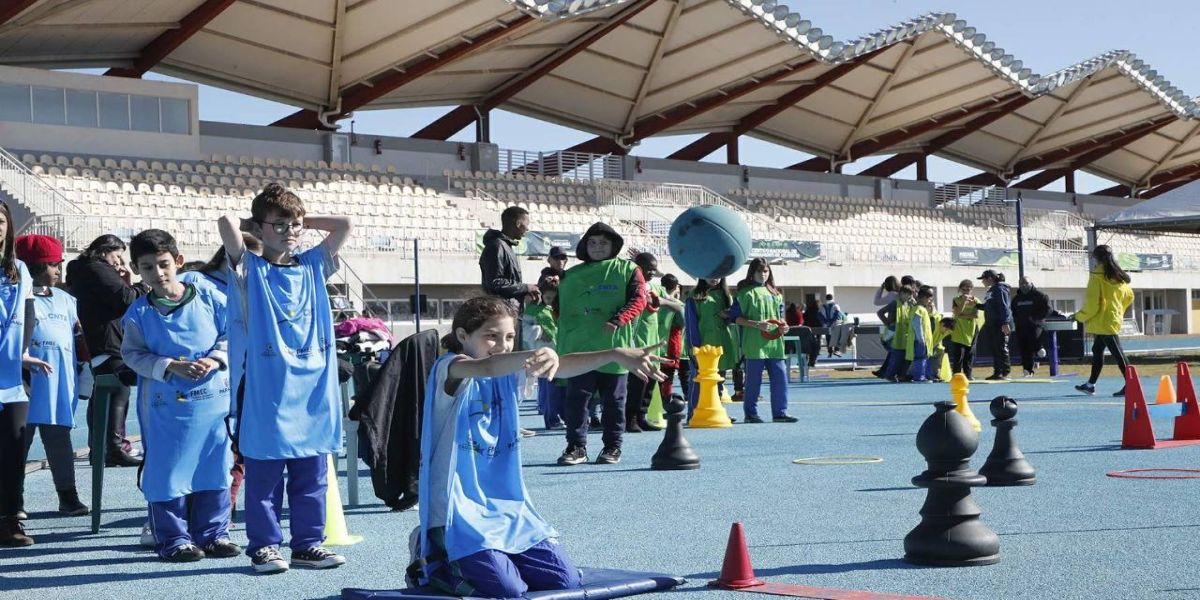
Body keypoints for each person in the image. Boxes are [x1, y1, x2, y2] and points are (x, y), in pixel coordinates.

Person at [413, 296, 663, 598]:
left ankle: (496, 556)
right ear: (464, 336)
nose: (502, 345)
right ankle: (431, 557)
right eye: (491, 336)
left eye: (508, 337)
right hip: (458, 511)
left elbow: (562, 366)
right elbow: (488, 366)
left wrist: (615, 354)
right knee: (507, 590)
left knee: (564, 581)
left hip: (507, 509)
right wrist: (541, 351)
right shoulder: (449, 368)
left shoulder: (509, 368)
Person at [217, 182, 353, 573]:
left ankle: (308, 544)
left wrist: (296, 218)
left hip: (313, 388)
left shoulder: (313, 263)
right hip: (268, 388)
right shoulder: (249, 268)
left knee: (312, 474)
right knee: (265, 474)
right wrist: (259, 222)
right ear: (258, 229)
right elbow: (227, 222)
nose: (291, 230)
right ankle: (264, 545)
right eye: (280, 224)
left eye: (295, 224)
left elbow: (344, 224)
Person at [120, 229, 240, 562]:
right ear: (136, 269)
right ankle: (173, 538)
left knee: (214, 464)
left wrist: (215, 359)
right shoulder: (139, 314)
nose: (157, 274)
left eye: (163, 264)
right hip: (164, 408)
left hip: (213, 403)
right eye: (147, 268)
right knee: (166, 470)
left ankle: (215, 534)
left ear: (178, 262)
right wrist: (169, 365)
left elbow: (233, 333)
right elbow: (132, 355)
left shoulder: (210, 298)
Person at [555, 223, 647, 466]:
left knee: (614, 403)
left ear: (614, 246)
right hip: (580, 349)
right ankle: (576, 446)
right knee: (576, 401)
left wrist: (619, 319)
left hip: (615, 348)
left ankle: (612, 446)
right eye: (592, 243)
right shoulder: (571, 275)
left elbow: (640, 300)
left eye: (603, 243)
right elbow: (558, 308)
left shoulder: (628, 270)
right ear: (585, 246)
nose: (597, 247)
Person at [15, 234, 90, 519]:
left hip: (59, 384)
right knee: (17, 443)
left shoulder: (66, 299)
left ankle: (68, 496)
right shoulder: (15, 294)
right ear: (36, 266)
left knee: (60, 441)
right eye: (54, 264)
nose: (59, 270)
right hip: (23, 384)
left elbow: (79, 336)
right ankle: (13, 499)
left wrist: (86, 372)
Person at [67, 234, 147, 467]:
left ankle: (100, 447)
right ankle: (112, 448)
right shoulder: (96, 268)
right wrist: (141, 284)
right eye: (117, 256)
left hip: (100, 340)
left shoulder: (84, 269)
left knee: (103, 396)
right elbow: (126, 299)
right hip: (106, 341)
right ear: (104, 251)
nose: (119, 263)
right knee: (117, 393)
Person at [0, 201, 49, 547]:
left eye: (0, 221)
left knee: (14, 450)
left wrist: (21, 350)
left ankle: (10, 519)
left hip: (12, 380)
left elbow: (28, 313)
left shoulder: (19, 271)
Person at [729, 259, 796, 423]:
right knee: (753, 381)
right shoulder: (744, 294)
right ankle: (751, 414)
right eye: (759, 271)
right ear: (752, 272)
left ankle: (780, 412)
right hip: (754, 345)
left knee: (780, 379)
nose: (763, 274)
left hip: (775, 344)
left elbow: (781, 318)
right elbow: (734, 318)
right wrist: (756, 324)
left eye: (765, 271)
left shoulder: (776, 294)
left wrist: (784, 327)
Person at [625, 253, 682, 433]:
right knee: (636, 384)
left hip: (653, 343)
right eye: (647, 268)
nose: (651, 272)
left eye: (654, 269)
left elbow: (678, 306)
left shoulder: (657, 287)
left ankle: (642, 417)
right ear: (637, 267)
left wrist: (660, 301)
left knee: (650, 384)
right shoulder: (630, 285)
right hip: (634, 344)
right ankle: (630, 419)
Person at [1073, 245, 1134, 397]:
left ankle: (1132, 385)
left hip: (1103, 321)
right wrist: (1118, 311)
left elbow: (1093, 304)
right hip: (1111, 319)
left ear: (1096, 259)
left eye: (1093, 257)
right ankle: (1090, 384)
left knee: (1118, 353)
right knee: (1097, 350)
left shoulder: (1096, 277)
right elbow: (1129, 296)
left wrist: (1079, 316)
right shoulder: (1119, 277)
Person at [687, 277, 741, 410]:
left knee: (719, 380)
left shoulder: (726, 295)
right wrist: (694, 346)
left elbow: (735, 318)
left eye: (718, 275)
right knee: (699, 380)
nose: (715, 278)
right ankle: (694, 413)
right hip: (704, 346)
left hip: (723, 344)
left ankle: (716, 410)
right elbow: (691, 324)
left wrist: (729, 314)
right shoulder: (695, 296)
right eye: (711, 274)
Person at [480, 206, 539, 314]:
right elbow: (494, 282)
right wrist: (526, 288)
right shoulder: (497, 246)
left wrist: (525, 291)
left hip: (510, 311)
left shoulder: (505, 246)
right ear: (518, 224)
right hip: (501, 313)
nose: (527, 229)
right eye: (526, 225)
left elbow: (507, 283)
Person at [522, 278, 564, 430]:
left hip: (557, 351)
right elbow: (524, 328)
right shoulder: (533, 309)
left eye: (553, 297)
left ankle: (555, 417)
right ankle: (551, 420)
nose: (550, 300)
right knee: (549, 387)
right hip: (543, 352)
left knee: (554, 387)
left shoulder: (557, 309)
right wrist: (539, 332)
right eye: (547, 297)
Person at [978, 270, 1013, 381]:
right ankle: (997, 372)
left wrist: (1005, 322)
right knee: (995, 348)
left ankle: (1004, 372)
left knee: (1002, 347)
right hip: (992, 324)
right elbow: (989, 306)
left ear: (989, 278)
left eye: (983, 279)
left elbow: (1004, 306)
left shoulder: (999, 288)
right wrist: (976, 305)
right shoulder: (992, 290)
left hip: (999, 323)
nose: (982, 281)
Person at [1012, 276, 1051, 377]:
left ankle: (1039, 347)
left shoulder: (1040, 296)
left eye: (1026, 283)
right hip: (1021, 327)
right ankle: (1027, 370)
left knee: (1034, 339)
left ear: (1031, 283)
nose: (1023, 285)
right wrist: (1016, 321)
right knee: (1024, 349)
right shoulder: (1016, 299)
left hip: (1035, 325)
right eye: (1021, 284)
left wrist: (1036, 319)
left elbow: (1048, 309)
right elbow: (1013, 311)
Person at [948, 279, 982, 379]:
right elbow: (957, 313)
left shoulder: (976, 300)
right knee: (959, 354)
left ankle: (968, 375)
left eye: (968, 288)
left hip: (971, 330)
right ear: (960, 289)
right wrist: (963, 302)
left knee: (970, 354)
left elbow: (975, 315)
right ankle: (956, 375)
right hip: (958, 330)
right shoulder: (956, 299)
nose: (966, 290)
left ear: (971, 289)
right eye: (964, 288)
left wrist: (962, 315)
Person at [907, 288, 936, 383]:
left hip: (922, 340)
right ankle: (919, 377)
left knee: (923, 358)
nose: (930, 301)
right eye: (929, 299)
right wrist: (921, 339)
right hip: (919, 340)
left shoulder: (921, 309)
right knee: (920, 359)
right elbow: (917, 324)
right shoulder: (919, 309)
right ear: (923, 297)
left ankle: (922, 376)